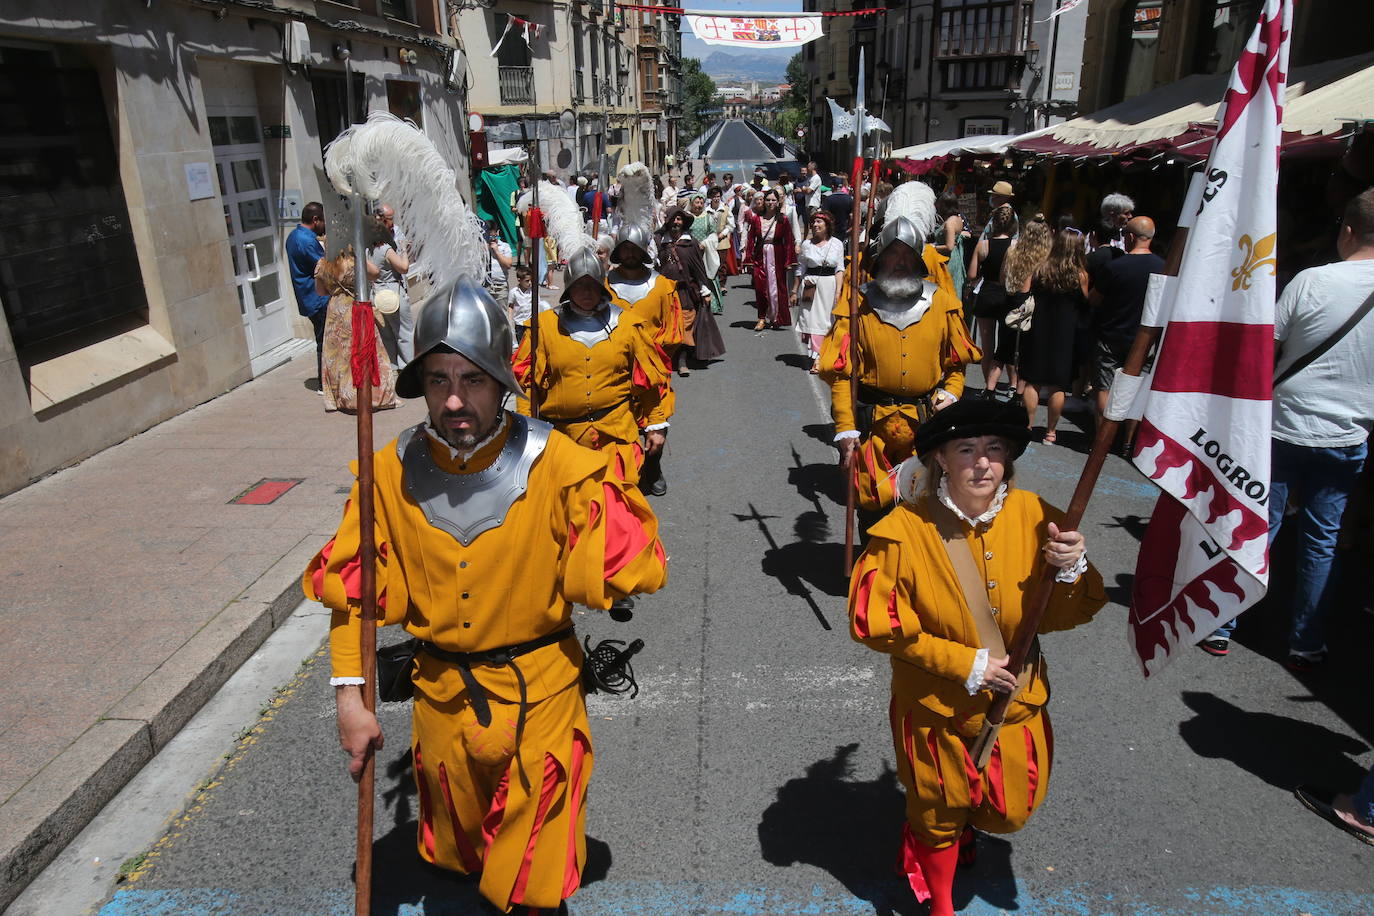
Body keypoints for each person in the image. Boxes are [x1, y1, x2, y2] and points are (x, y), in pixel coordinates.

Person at [309, 274, 667, 915]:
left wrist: (601, 530)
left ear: (502, 381)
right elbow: (352, 596)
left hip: (543, 702)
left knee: (531, 885)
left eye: (472, 379)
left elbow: (632, 561)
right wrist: (349, 700)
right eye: (440, 380)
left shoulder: (559, 464)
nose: (454, 400)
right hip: (441, 707)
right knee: (464, 870)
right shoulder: (388, 473)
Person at [848, 398, 1106, 916]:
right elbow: (872, 622)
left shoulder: (1038, 517)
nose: (983, 462)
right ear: (941, 458)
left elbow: (1069, 614)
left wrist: (1073, 569)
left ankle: (960, 824)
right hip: (933, 707)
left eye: (994, 449)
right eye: (966, 449)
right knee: (936, 810)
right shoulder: (902, 530)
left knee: (1010, 812)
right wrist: (961, 663)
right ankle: (940, 901)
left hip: (1015, 700)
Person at [1203, 189, 1374, 665]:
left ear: (1347, 230)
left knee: (1259, 526)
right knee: (1322, 539)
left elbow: (1265, 347)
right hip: (1348, 435)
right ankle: (1306, 639)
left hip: (1282, 426)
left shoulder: (1312, 281)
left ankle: (1222, 624)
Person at [820, 181, 979, 513]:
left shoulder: (940, 302)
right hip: (872, 425)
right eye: (893, 254)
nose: (900, 262)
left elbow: (956, 362)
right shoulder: (858, 305)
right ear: (880, 259)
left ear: (920, 261)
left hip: (925, 427)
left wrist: (951, 391)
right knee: (872, 509)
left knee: (923, 514)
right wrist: (845, 426)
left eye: (908, 255)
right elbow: (840, 373)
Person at [513, 246, 670, 503]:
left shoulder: (629, 325)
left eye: (591, 285)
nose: (586, 292)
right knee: (572, 516)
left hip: (616, 437)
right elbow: (527, 386)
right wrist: (526, 434)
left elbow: (648, 381)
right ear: (568, 288)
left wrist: (656, 425)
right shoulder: (543, 328)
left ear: (601, 286)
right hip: (563, 440)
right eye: (578, 285)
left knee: (618, 516)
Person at [607, 222, 684, 497]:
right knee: (619, 425)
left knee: (657, 424)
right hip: (614, 369)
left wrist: (648, 357)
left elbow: (673, 330)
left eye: (634, 249)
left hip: (654, 368)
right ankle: (626, 472)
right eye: (624, 249)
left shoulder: (662, 286)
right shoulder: (604, 285)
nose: (629, 254)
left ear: (643, 251)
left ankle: (653, 468)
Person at [1088, 216, 1164, 421]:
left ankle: (1102, 437)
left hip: (1112, 335)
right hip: (1146, 337)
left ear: (1130, 237)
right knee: (1138, 390)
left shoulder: (1115, 266)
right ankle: (1128, 442)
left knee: (1104, 388)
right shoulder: (1164, 268)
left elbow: (1095, 299)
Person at [1018, 224, 1088, 443]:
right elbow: (1086, 303)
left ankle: (1028, 426)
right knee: (1058, 386)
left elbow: (1023, 293)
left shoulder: (1039, 268)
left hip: (1038, 328)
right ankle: (1050, 432)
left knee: (1032, 382)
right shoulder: (1080, 275)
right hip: (1065, 334)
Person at [314, 243, 395, 413]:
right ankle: (374, 396)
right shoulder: (352, 261)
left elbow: (320, 291)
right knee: (367, 350)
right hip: (355, 308)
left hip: (335, 311)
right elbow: (375, 273)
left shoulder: (322, 264)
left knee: (337, 357)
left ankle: (339, 399)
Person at [656, 205, 727, 376]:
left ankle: (682, 361)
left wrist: (705, 291)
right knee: (667, 326)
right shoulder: (659, 242)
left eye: (679, 219)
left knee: (685, 325)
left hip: (686, 292)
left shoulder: (691, 243)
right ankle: (667, 359)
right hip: (665, 294)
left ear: (683, 223)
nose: (676, 222)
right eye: (673, 219)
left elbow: (699, 269)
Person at [967, 207, 1018, 398]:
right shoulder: (1016, 245)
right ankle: (1013, 384)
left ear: (993, 224)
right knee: (1009, 343)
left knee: (987, 347)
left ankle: (989, 386)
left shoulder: (983, 246)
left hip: (987, 294)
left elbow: (972, 274)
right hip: (1008, 296)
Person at [791, 211, 844, 372]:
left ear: (827, 225)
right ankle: (818, 357)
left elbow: (839, 269)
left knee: (825, 322)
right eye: (813, 222)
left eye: (819, 222)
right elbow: (800, 269)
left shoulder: (837, 244)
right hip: (810, 286)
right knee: (812, 322)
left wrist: (838, 291)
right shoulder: (807, 245)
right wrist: (794, 291)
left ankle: (820, 355)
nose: (815, 225)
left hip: (829, 287)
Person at [287, 201, 330, 386]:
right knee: (325, 340)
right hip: (317, 299)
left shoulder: (294, 236)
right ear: (315, 220)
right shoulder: (306, 241)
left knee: (324, 339)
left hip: (310, 298)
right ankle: (324, 383)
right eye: (323, 221)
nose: (324, 226)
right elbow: (325, 267)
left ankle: (326, 382)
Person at [742, 188, 798, 331]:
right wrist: (748, 259)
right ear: (763, 202)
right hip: (760, 255)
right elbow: (750, 240)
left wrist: (789, 260)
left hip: (777, 255)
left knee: (775, 289)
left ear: (778, 201)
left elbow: (789, 241)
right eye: (768, 200)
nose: (770, 202)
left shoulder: (783, 219)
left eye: (773, 200)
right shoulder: (756, 219)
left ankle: (776, 317)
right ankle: (761, 317)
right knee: (760, 288)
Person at [369, 205, 412, 369]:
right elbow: (403, 267)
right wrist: (403, 252)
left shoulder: (367, 250)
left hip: (377, 293)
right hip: (393, 291)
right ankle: (408, 366)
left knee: (386, 334)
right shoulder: (385, 249)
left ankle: (393, 366)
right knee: (403, 332)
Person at [687, 193, 725, 315]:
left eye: (701, 203)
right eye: (696, 203)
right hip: (691, 252)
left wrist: (705, 243)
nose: (699, 205)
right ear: (691, 204)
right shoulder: (687, 217)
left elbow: (713, 234)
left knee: (707, 275)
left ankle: (711, 304)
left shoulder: (707, 217)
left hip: (704, 252)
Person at [930, 190, 967, 300]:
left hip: (948, 261)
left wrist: (933, 247)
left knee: (947, 290)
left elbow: (949, 246)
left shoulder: (950, 222)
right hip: (956, 258)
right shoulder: (958, 218)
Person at [506, 265, 535, 346]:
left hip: (530, 322)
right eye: (527, 281)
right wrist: (510, 318)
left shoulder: (533, 291)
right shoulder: (514, 292)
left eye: (531, 280)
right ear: (519, 280)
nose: (530, 283)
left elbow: (538, 304)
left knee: (530, 343)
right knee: (521, 344)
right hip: (519, 323)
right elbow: (511, 305)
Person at [485, 221, 514, 301]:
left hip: (500, 286)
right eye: (488, 236)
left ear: (497, 232)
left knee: (502, 312)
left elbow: (508, 265)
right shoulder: (482, 247)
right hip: (486, 286)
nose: (491, 238)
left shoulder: (504, 246)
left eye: (493, 235)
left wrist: (497, 251)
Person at [822, 176, 855, 244]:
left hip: (831, 232)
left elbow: (825, 215)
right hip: (844, 231)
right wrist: (849, 229)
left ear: (833, 186)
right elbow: (852, 216)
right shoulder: (849, 199)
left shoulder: (829, 199)